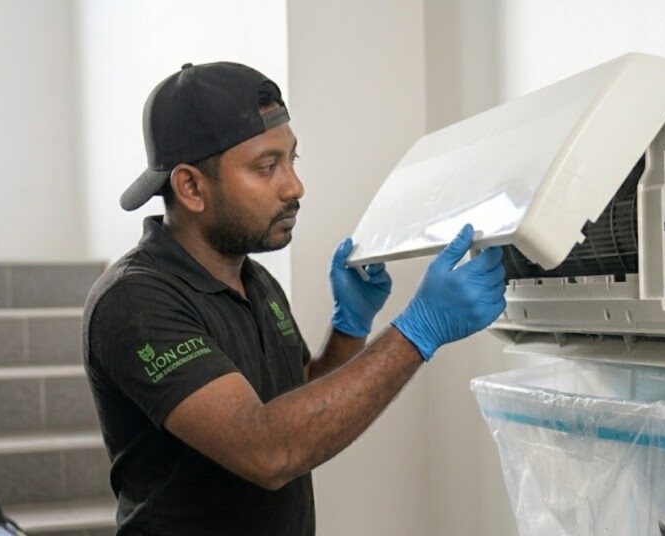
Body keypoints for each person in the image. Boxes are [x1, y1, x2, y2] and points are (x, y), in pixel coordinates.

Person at [82, 61, 506, 535]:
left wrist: (350, 329)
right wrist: (417, 330)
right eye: (267, 167)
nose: (294, 186)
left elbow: (297, 397)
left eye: (292, 160)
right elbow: (267, 450)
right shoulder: (135, 301)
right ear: (191, 187)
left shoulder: (255, 280)